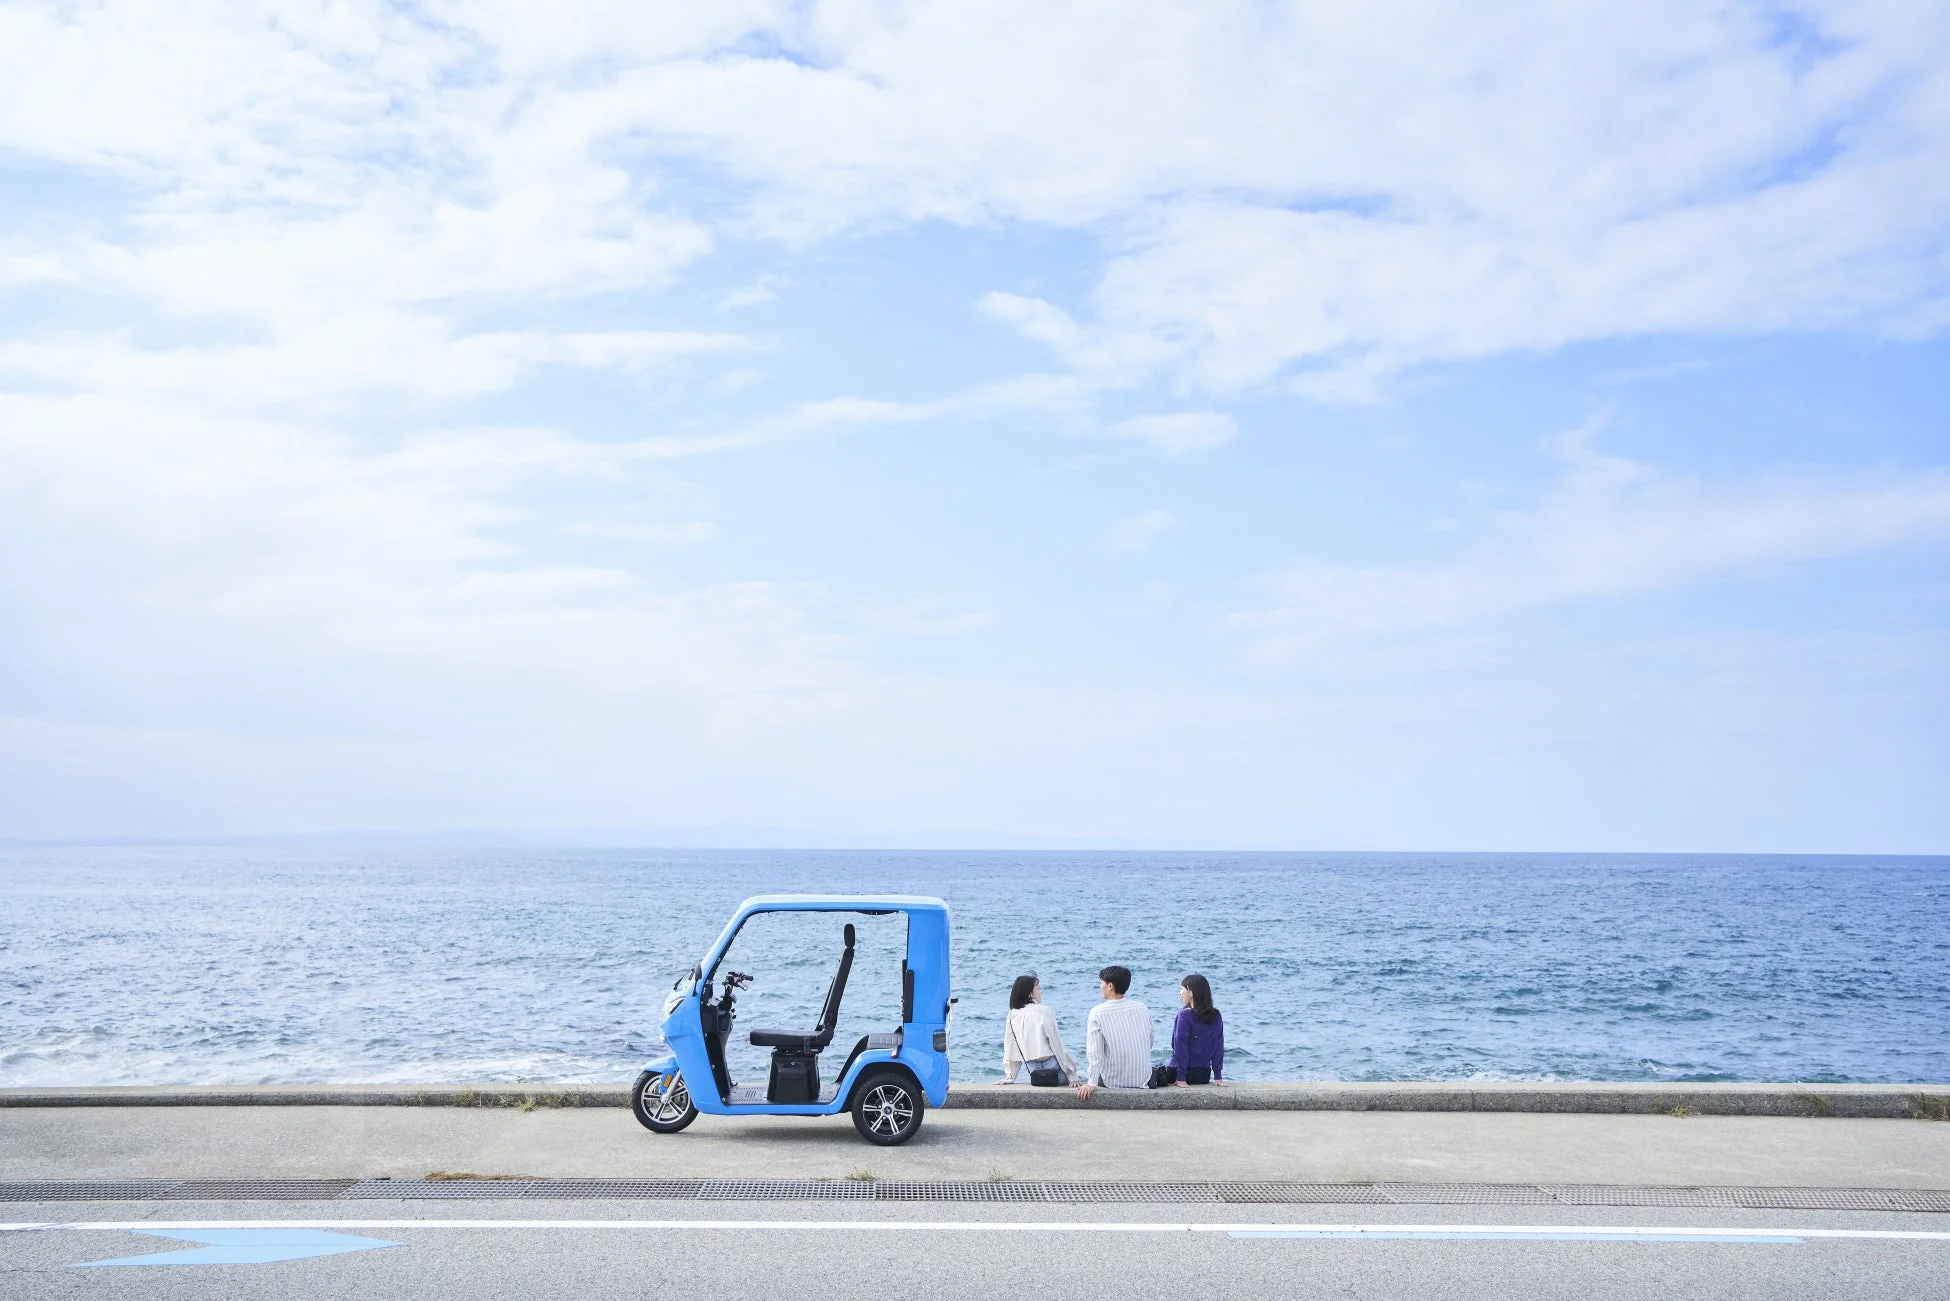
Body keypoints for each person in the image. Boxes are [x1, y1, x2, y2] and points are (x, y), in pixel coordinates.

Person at [1076, 965, 1152, 1100]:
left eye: (1101, 982)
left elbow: (1095, 1053)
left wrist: (1091, 1082)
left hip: (1112, 1081)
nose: (1100, 986)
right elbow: (1150, 1041)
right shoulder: (1142, 1008)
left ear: (1110, 986)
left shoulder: (1097, 1012)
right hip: (1143, 1079)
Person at [995, 973, 1078, 1085]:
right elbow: (1057, 1045)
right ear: (1030, 994)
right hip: (1053, 1067)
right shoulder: (1044, 1011)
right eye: (1038, 989)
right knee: (1076, 1076)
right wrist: (1072, 1075)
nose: (1041, 992)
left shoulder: (1012, 1014)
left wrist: (1010, 1076)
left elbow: (1010, 1047)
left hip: (1033, 1070)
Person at [1169, 972, 1228, 1087]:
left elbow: (1179, 1046)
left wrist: (1181, 1077)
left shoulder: (1184, 1015)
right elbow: (1218, 1047)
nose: (1180, 993)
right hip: (1203, 1075)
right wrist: (1218, 1076)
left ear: (1191, 992)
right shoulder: (1216, 1015)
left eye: (1182, 989)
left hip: (1179, 1073)